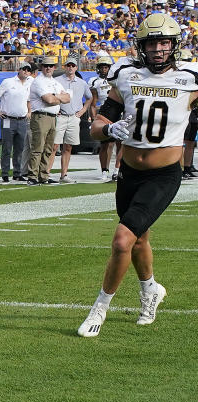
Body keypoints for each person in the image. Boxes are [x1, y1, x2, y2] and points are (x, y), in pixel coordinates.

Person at [77, 14, 198, 338]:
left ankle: (100, 307)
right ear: (141, 46)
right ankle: (150, 291)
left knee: (122, 240)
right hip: (129, 172)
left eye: (164, 43)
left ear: (174, 46)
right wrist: (108, 129)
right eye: (151, 43)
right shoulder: (126, 75)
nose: (158, 49)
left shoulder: (191, 77)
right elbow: (97, 124)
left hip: (163, 174)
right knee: (139, 238)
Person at [25, 56, 70, 185]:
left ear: (54, 67)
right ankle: (32, 176)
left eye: (51, 66)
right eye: (46, 66)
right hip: (41, 115)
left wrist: (55, 97)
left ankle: (43, 175)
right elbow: (49, 100)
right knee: (38, 147)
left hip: (53, 116)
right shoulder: (39, 81)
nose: (48, 68)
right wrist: (57, 98)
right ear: (41, 68)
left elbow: (68, 98)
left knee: (48, 148)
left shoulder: (55, 82)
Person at [0, 61, 33, 182]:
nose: (26, 71)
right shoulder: (8, 82)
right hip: (8, 118)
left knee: (20, 148)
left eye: (28, 70)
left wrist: (29, 112)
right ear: (19, 70)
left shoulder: (28, 84)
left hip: (22, 119)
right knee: (7, 148)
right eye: (24, 69)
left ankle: (17, 172)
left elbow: (29, 100)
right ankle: (5, 172)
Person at [52, 57, 92, 183]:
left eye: (72, 66)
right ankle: (45, 173)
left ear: (76, 68)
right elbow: (50, 95)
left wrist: (83, 110)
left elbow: (89, 97)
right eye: (68, 65)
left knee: (68, 147)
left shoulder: (82, 83)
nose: (70, 68)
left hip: (74, 117)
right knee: (54, 146)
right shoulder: (56, 81)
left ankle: (64, 175)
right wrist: (54, 108)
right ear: (65, 67)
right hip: (60, 116)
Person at [89, 56, 120, 182]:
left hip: (118, 111)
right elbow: (93, 103)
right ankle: (104, 170)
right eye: (102, 67)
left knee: (120, 143)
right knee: (105, 144)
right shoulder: (94, 81)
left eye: (106, 67)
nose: (104, 69)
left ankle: (117, 170)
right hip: (104, 112)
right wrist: (93, 119)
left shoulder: (117, 79)